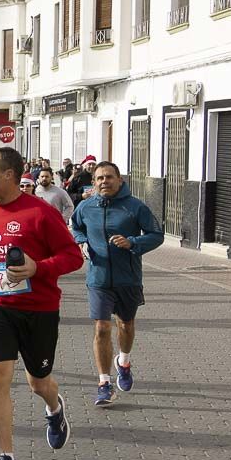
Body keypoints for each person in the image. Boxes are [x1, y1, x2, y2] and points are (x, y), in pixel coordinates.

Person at [0, 147, 83, 460]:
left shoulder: (40, 212)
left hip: (39, 311)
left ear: (9, 174)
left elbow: (73, 257)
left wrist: (39, 268)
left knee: (38, 383)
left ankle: (54, 407)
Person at [70, 162, 164, 406]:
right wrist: (81, 242)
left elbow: (156, 234)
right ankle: (104, 383)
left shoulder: (135, 207)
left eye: (109, 177)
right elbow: (75, 226)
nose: (104, 182)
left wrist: (132, 243)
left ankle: (123, 361)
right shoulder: (86, 206)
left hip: (128, 279)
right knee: (102, 328)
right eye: (99, 178)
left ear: (119, 180)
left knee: (126, 324)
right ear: (94, 181)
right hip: (98, 278)